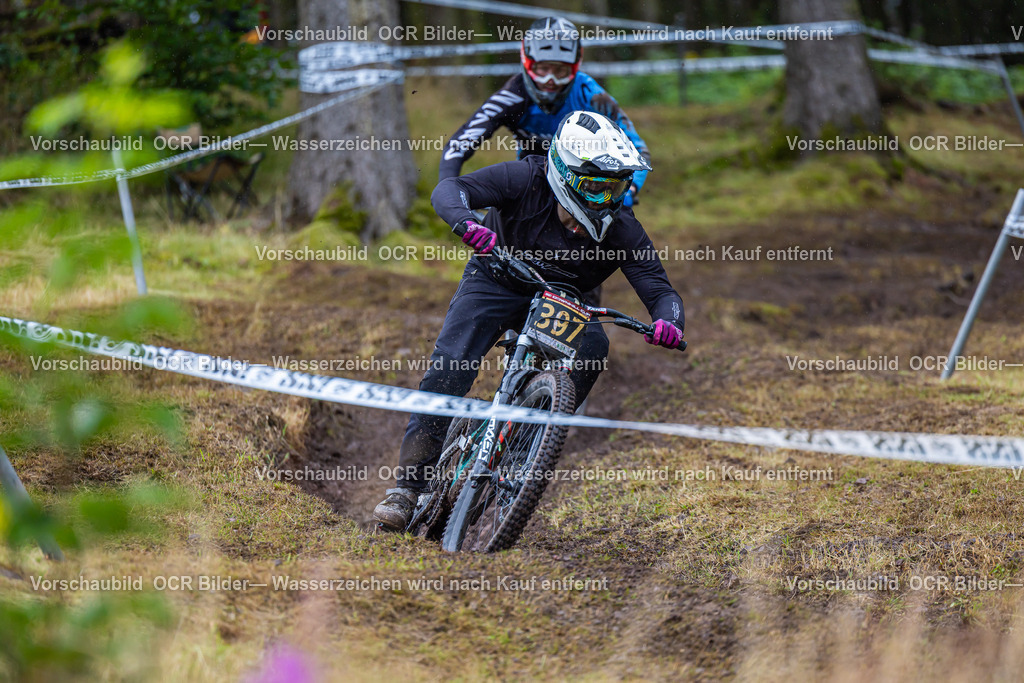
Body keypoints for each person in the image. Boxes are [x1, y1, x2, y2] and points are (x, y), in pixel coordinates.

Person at [373, 110, 685, 530]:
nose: (607, 198)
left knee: (594, 347)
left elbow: (660, 290)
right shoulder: (524, 179)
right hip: (496, 278)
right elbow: (452, 189)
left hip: (563, 301)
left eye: (616, 187)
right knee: (450, 367)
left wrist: (669, 322)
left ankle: (525, 453)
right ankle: (408, 489)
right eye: (595, 186)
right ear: (565, 173)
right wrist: (466, 223)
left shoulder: (622, 228)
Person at [439, 16, 651, 209]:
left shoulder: (590, 95)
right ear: (527, 63)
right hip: (533, 181)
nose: (551, 80)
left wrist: (630, 191)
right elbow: (458, 145)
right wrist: (447, 192)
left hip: (588, 189)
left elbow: (636, 147)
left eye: (560, 71)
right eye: (543, 69)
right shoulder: (512, 97)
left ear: (575, 67)